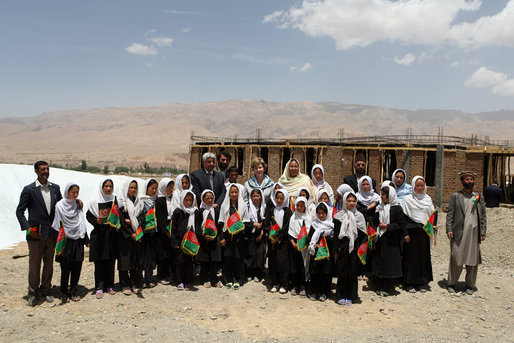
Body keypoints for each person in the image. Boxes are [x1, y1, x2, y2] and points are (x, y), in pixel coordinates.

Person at [16, 161, 63, 306]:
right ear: (36, 171)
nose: (46, 171)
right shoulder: (29, 190)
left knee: (49, 264)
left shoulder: (55, 188)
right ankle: (33, 292)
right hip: (35, 234)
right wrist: (28, 228)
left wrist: (76, 202)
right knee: (34, 264)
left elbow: (62, 207)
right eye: (43, 169)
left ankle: (46, 290)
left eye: (47, 169)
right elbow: (20, 211)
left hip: (51, 233)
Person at [446, 171, 487, 295]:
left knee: (472, 260)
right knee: (456, 257)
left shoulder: (478, 197)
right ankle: (452, 283)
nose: (470, 181)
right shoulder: (456, 196)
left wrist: (483, 230)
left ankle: (470, 284)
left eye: (471, 179)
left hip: (474, 234)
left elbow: (483, 215)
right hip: (459, 232)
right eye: (467, 179)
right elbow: (450, 214)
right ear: (462, 181)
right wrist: (449, 229)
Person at [52, 183, 89, 303]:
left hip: (77, 240)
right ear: (67, 192)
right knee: (65, 269)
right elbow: (57, 224)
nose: (75, 194)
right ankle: (63, 292)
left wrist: (86, 239)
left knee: (77, 267)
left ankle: (74, 290)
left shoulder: (77, 205)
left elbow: (81, 222)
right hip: (66, 241)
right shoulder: (60, 206)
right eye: (73, 192)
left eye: (77, 192)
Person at [401, 176, 434, 293]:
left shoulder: (428, 200)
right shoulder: (408, 199)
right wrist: (405, 233)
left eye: (422, 185)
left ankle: (422, 282)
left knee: (423, 257)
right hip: (411, 232)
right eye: (417, 185)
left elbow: (432, 215)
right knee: (410, 257)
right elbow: (403, 218)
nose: (420, 188)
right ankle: (409, 282)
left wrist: (433, 227)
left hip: (424, 232)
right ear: (413, 186)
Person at [371, 185, 406, 296]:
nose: (381, 197)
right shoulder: (379, 207)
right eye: (381, 194)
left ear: (389, 196)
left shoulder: (397, 209)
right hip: (381, 239)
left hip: (392, 240)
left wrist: (387, 226)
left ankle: (389, 287)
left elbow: (401, 225)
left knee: (390, 263)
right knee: (380, 261)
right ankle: (379, 285)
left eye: (384, 195)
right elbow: (374, 221)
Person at [86, 179, 117, 299]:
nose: (108, 188)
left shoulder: (115, 199)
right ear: (102, 187)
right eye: (106, 186)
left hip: (111, 234)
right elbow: (88, 216)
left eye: (110, 186)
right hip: (99, 235)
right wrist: (96, 221)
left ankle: (109, 285)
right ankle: (99, 287)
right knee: (99, 262)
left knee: (110, 261)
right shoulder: (95, 200)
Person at [333, 192, 366, 305]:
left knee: (352, 273)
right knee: (342, 273)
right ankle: (341, 296)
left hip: (355, 249)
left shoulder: (360, 216)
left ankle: (351, 296)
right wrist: (336, 250)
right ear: (344, 202)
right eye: (349, 201)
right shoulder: (338, 216)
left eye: (353, 201)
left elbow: (363, 236)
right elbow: (336, 235)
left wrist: (360, 250)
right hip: (342, 249)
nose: (351, 203)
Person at [219, 184, 250, 290]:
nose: (234, 194)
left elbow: (246, 221)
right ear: (229, 193)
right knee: (227, 258)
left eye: (236, 192)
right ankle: (227, 279)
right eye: (231, 192)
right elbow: (221, 221)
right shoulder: (224, 205)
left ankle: (238, 279)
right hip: (227, 236)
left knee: (238, 258)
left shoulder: (243, 205)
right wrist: (222, 237)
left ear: (239, 193)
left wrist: (239, 229)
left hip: (239, 236)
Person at [118, 179, 144, 295]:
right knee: (124, 261)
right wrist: (130, 233)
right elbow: (121, 221)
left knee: (135, 261)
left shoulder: (139, 202)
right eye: (131, 187)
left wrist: (137, 229)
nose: (133, 190)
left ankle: (134, 283)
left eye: (135, 188)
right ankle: (124, 284)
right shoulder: (121, 203)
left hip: (137, 235)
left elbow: (142, 218)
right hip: (125, 237)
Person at [264, 189, 292, 294]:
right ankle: (275, 283)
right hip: (272, 241)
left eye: (281, 198)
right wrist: (271, 236)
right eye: (277, 198)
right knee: (272, 262)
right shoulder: (272, 210)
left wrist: (278, 238)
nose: (279, 200)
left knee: (283, 263)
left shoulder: (288, 212)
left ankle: (284, 284)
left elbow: (286, 227)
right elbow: (267, 224)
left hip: (283, 242)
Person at [195, 190, 223, 288]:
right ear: (203, 199)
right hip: (203, 240)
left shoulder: (216, 210)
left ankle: (214, 279)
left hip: (214, 240)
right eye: (207, 198)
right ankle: (204, 279)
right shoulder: (200, 211)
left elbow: (219, 225)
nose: (210, 200)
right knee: (204, 261)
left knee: (214, 261)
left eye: (211, 198)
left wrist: (216, 236)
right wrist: (203, 235)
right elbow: (197, 225)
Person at [307, 202, 334, 302]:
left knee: (326, 273)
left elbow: (334, 240)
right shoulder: (314, 225)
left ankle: (324, 292)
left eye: (323, 213)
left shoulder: (332, 226)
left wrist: (328, 239)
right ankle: (314, 292)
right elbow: (309, 238)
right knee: (315, 272)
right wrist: (314, 244)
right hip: (316, 254)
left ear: (327, 213)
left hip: (327, 254)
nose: (321, 215)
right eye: (319, 213)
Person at [171, 190, 197, 290]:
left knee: (189, 262)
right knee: (179, 262)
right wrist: (174, 241)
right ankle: (180, 281)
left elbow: (197, 226)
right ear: (182, 200)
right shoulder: (178, 212)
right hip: (179, 241)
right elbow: (173, 228)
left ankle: (188, 281)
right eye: (186, 200)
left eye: (190, 200)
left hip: (190, 241)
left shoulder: (195, 212)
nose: (188, 202)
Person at [288, 196, 311, 296]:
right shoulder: (293, 217)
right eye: (298, 205)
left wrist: (304, 244)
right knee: (294, 267)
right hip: (295, 247)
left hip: (304, 248)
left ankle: (302, 286)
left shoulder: (308, 218)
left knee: (303, 267)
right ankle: (294, 286)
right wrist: (294, 244)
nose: (300, 208)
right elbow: (290, 233)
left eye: (302, 206)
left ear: (305, 206)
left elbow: (309, 233)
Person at [138, 178, 159, 288]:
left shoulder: (157, 200)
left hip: (154, 233)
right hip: (144, 233)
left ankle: (149, 277)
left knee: (151, 256)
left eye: (156, 188)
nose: (154, 190)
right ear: (146, 188)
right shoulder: (141, 200)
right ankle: (140, 279)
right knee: (142, 256)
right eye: (152, 188)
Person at [155, 178, 175, 285]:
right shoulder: (160, 200)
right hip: (163, 231)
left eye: (172, 187)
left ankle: (169, 274)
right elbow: (160, 217)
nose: (171, 190)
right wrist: (165, 231)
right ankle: (162, 275)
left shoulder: (172, 198)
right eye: (169, 188)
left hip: (171, 227)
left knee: (170, 254)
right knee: (163, 254)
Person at [245, 188, 267, 282]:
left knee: (260, 254)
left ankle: (259, 274)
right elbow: (244, 220)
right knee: (251, 254)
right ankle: (250, 273)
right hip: (250, 234)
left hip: (261, 234)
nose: (256, 198)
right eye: (253, 196)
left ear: (261, 197)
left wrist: (262, 233)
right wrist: (253, 224)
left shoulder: (264, 208)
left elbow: (266, 222)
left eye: (257, 196)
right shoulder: (248, 207)